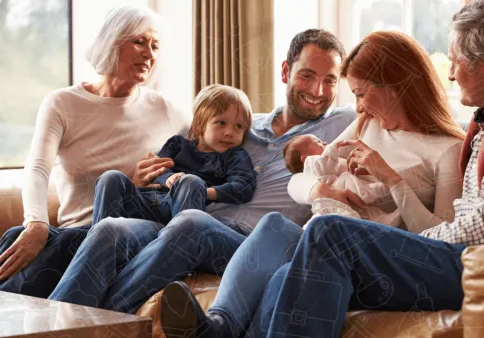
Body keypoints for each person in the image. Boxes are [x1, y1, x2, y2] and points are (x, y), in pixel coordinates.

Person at [167, 1, 484, 337]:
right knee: (299, 256)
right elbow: (314, 169)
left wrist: (420, 237)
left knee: (327, 235)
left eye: (457, 59)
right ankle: (219, 328)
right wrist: (322, 190)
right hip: (467, 254)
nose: (451, 69)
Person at [159, 30, 468, 338]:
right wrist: (319, 190)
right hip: (324, 237)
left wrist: (392, 179)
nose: (357, 107)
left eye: (361, 94)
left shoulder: (447, 149)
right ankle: (217, 326)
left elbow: (439, 239)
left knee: (284, 275)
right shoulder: (367, 124)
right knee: (273, 226)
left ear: (395, 86)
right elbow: (304, 174)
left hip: (368, 255)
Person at [47, 29, 357, 315]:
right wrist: (149, 174)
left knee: (191, 224)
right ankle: (49, 329)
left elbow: (392, 89)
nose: (318, 90)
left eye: (330, 80)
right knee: (110, 229)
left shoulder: (341, 124)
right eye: (307, 75)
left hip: (248, 241)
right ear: (286, 71)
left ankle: (104, 323)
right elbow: (185, 148)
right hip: (182, 218)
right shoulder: (242, 124)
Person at [0, 6, 187, 298]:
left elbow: (201, 165)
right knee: (17, 238)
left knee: (47, 251)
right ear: (111, 41)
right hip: (74, 233)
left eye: (155, 46)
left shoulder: (169, 111)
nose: (149, 53)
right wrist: (37, 224)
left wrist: (155, 181)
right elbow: (37, 169)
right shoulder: (62, 103)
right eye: (139, 41)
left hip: (129, 234)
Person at [92, 84, 257, 226]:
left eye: (239, 127)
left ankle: (176, 242)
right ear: (200, 124)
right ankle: (98, 240)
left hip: (178, 210)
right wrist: (168, 178)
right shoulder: (177, 144)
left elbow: (244, 187)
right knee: (111, 178)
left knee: (190, 181)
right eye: (221, 123)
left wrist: (203, 191)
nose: (229, 132)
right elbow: (158, 169)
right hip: (146, 202)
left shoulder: (235, 155)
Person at [284, 134, 400, 227]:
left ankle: (390, 221)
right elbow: (326, 164)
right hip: (334, 196)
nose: (324, 142)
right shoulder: (313, 164)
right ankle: (379, 189)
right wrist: (333, 147)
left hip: (348, 200)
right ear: (305, 159)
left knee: (370, 216)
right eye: (317, 142)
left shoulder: (333, 160)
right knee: (346, 180)